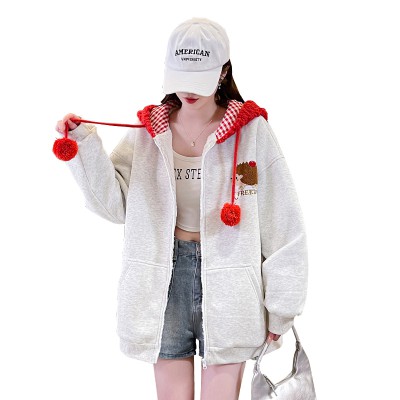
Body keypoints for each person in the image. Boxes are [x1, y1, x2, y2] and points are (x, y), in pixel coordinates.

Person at [55, 17, 308, 400]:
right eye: (181, 77)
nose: (188, 90)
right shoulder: (148, 132)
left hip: (231, 282)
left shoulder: (251, 132)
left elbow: (284, 223)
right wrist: (84, 147)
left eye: (199, 79)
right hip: (162, 279)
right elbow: (115, 206)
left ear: (223, 72)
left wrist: (282, 306)